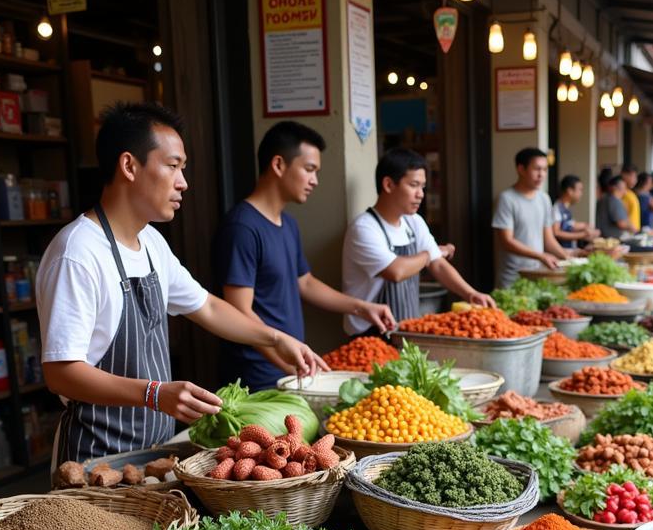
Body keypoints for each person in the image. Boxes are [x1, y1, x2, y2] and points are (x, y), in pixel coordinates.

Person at [36, 102, 325, 467]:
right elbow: (60, 372)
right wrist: (155, 394)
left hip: (155, 449)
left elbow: (206, 306)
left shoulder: (152, 243)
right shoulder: (77, 252)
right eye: (173, 166)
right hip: (97, 456)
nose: (183, 182)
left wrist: (275, 337)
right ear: (129, 165)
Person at [212, 121, 394, 392]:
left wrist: (361, 307)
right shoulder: (242, 228)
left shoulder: (288, 223)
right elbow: (239, 310)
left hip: (289, 370)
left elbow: (305, 283)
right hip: (255, 378)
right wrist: (287, 363)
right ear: (278, 165)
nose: (314, 181)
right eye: (309, 169)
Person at [342, 147, 492, 335]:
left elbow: (438, 265)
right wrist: (430, 253)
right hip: (370, 333)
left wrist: (470, 293)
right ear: (388, 185)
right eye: (413, 185)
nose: (421, 194)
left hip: (406, 327)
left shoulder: (413, 222)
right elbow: (396, 271)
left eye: (422, 186)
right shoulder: (364, 228)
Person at [492, 147, 572, 288]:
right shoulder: (506, 199)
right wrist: (541, 256)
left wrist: (567, 258)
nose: (541, 174)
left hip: (537, 274)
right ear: (521, 169)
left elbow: (548, 239)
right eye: (537, 169)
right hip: (512, 278)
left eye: (545, 170)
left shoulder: (544, 198)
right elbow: (506, 241)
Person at [553, 175, 595, 246]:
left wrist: (584, 226)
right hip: (563, 252)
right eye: (580, 190)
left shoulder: (565, 208)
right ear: (570, 191)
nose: (581, 194)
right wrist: (583, 234)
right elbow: (556, 232)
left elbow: (567, 226)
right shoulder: (557, 209)